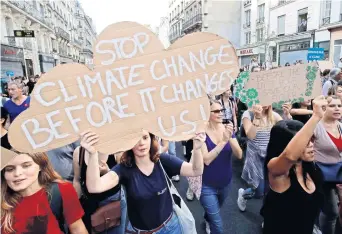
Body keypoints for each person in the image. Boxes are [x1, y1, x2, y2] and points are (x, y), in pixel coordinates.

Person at [84, 129, 206, 234]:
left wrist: (197, 149)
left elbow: (195, 170)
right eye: (136, 139)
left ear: (151, 139)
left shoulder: (161, 160)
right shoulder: (124, 169)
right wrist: (93, 153)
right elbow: (94, 186)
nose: (141, 143)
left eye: (145, 137)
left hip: (172, 227)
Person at [261, 96, 326, 234]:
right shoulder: (276, 169)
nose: (311, 146)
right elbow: (289, 155)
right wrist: (316, 116)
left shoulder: (309, 166)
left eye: (310, 140)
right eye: (304, 143)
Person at [1, 151, 87, 234]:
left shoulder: (62, 190)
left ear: (41, 166)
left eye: (26, 166)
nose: (17, 173)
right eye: (9, 169)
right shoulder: (2, 200)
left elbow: (77, 230)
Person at [200, 99, 242, 234]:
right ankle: (210, 220)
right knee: (217, 225)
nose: (220, 113)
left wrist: (229, 137)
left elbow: (239, 154)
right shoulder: (201, 132)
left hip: (225, 182)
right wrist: (223, 141)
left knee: (214, 211)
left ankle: (207, 218)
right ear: (208, 113)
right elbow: (206, 160)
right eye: (216, 111)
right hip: (206, 185)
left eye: (222, 110)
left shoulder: (227, 129)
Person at [237, 104, 284, 212]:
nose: (265, 103)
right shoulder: (248, 114)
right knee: (259, 191)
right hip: (255, 157)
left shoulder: (273, 115)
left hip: (270, 156)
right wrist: (257, 118)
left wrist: (287, 115)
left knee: (269, 188)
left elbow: (285, 127)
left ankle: (265, 216)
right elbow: (251, 136)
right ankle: (243, 195)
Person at [73, 147, 127, 234]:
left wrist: (108, 172)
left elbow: (125, 178)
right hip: (90, 205)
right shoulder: (79, 152)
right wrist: (76, 206)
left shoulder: (116, 149)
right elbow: (77, 180)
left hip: (113, 202)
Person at [313, 95, 342, 234]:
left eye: (340, 106)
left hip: (339, 174)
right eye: (332, 105)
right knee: (331, 212)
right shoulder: (316, 127)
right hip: (322, 176)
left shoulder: (341, 126)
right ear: (324, 108)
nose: (337, 108)